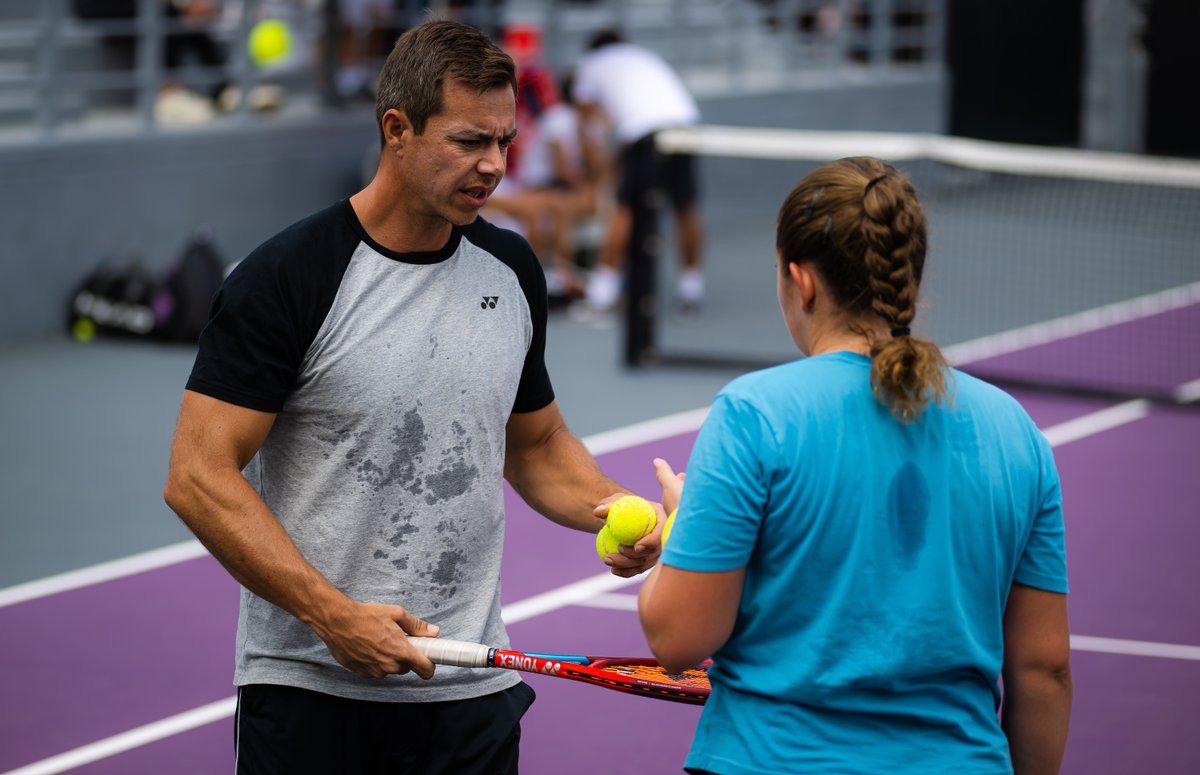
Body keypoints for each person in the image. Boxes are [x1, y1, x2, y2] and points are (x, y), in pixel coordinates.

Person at [163, 19, 661, 774]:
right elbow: (198, 475)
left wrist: (624, 512)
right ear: (396, 129)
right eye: (468, 141)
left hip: (469, 693)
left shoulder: (512, 269)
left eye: (504, 141)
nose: (494, 165)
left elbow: (535, 445)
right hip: (311, 692)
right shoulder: (287, 276)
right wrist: (333, 615)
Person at [638, 157, 1072, 774]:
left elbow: (679, 640)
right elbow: (1044, 671)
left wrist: (683, 528)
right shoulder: (1017, 432)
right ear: (908, 281)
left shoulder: (753, 413)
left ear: (801, 281)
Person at [571, 28, 705, 315]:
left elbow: (586, 123)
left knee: (625, 208)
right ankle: (691, 290)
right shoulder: (641, 56)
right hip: (686, 126)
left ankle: (601, 296)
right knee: (685, 206)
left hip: (647, 133)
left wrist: (597, 168)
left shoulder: (590, 64)